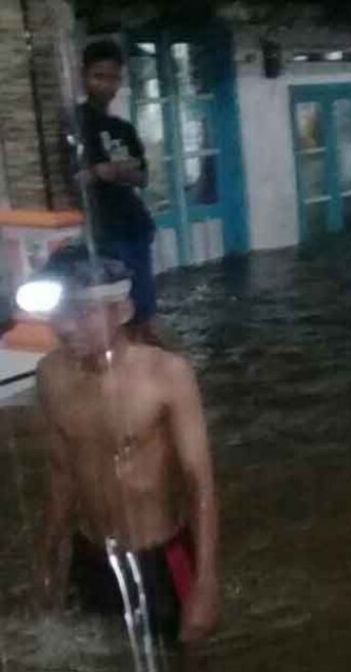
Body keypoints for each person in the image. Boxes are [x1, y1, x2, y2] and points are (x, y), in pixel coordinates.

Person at [33, 244, 219, 643]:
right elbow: (62, 474)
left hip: (160, 558)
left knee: (190, 657)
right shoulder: (50, 375)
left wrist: (205, 583)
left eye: (82, 313)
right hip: (92, 555)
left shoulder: (167, 375)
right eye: (60, 313)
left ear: (122, 312)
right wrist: (49, 563)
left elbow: (198, 481)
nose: (66, 327)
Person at [75, 40, 159, 341]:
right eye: (99, 76)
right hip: (101, 230)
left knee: (143, 304)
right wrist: (100, 172)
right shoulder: (74, 123)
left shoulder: (122, 128)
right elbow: (69, 180)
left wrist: (125, 172)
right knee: (111, 308)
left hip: (134, 225)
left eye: (113, 78)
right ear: (83, 76)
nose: (106, 86)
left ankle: (145, 367)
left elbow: (144, 177)